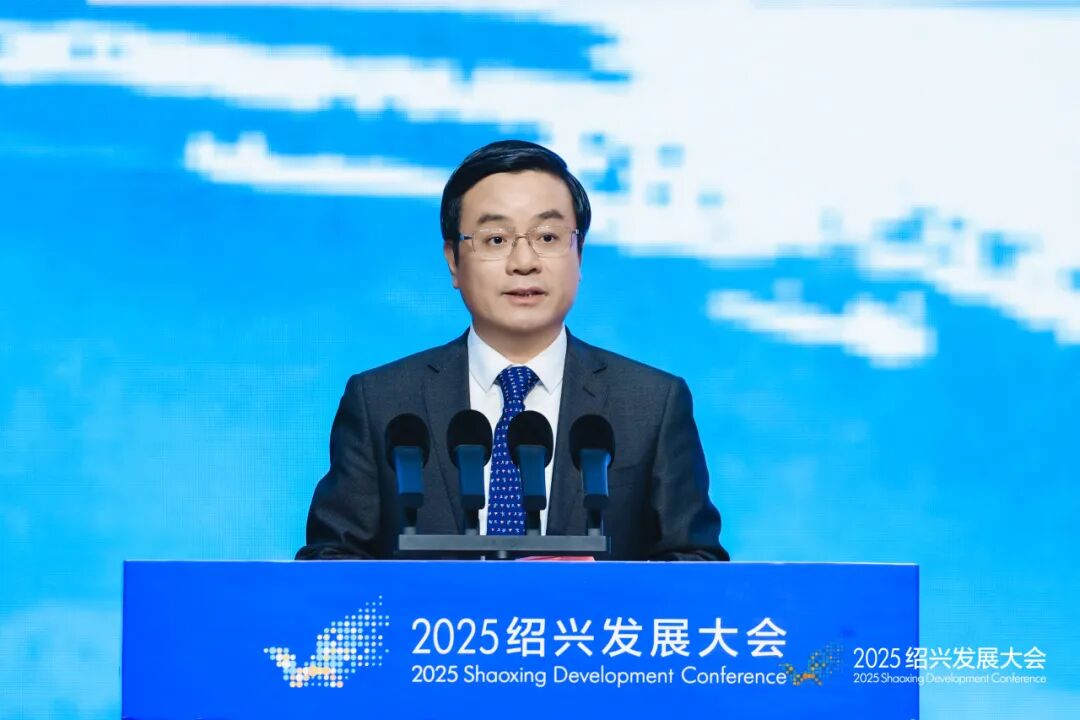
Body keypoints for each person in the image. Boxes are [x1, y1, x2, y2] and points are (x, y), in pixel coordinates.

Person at [297, 140, 728, 561]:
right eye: (496, 239)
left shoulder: (651, 403)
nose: (524, 262)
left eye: (548, 236)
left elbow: (698, 564)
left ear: (579, 253)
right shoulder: (382, 401)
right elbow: (327, 561)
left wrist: (599, 591)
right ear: (453, 260)